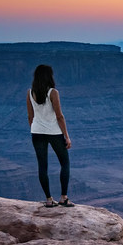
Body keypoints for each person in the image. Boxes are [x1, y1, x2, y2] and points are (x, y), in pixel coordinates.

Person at [26, 64, 73, 207]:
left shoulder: (30, 92)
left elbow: (30, 116)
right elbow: (59, 116)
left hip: (37, 132)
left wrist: (35, 129)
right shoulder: (53, 92)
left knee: (42, 166)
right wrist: (67, 136)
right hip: (54, 132)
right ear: (49, 76)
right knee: (65, 163)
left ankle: (48, 199)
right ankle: (63, 197)